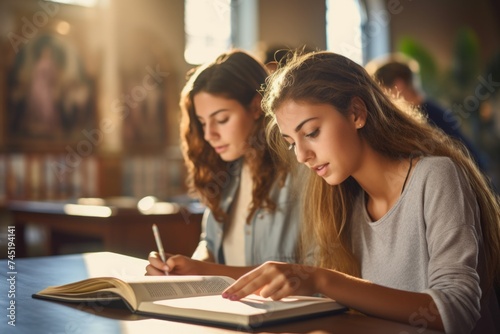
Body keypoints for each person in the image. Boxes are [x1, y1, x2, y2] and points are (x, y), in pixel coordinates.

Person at [221, 51, 500, 334]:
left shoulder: (435, 176)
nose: (302, 156)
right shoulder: (343, 203)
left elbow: (457, 309)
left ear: (356, 113)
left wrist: (323, 280)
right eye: (291, 142)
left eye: (312, 132)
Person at [146, 50, 302, 279]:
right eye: (202, 122)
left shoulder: (300, 172)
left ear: (256, 107)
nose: (209, 134)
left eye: (221, 120)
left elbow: (313, 271)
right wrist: (184, 268)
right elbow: (209, 244)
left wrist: (205, 270)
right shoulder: (225, 173)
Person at [365, 53, 487, 170]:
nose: (382, 101)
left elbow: (465, 157)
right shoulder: (433, 111)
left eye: (382, 92)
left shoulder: (429, 116)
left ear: (398, 86)